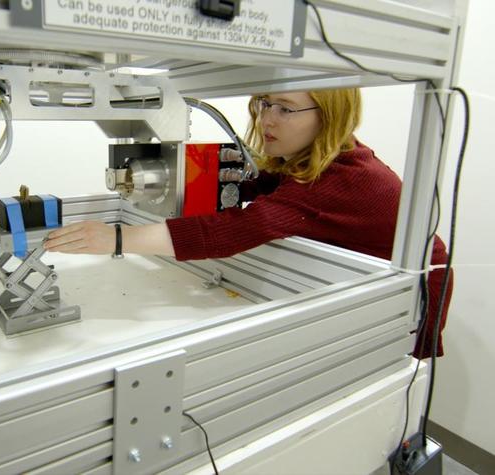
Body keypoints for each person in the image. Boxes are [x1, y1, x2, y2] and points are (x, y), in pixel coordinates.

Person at [44, 88, 453, 358]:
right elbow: (255, 185)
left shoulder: (345, 177)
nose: (266, 120)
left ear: (330, 115)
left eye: (285, 109)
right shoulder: (316, 157)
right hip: (360, 271)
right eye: (263, 103)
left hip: (417, 280)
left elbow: (231, 232)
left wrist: (117, 238)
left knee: (398, 375)